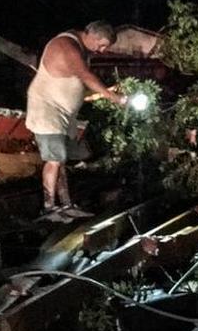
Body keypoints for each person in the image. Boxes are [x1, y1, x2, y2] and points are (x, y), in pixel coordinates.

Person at [26, 21, 125, 222]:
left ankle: (66, 204)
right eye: (102, 44)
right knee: (54, 159)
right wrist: (111, 96)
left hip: (65, 114)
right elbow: (84, 75)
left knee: (61, 160)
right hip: (48, 110)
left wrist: (106, 92)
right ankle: (48, 208)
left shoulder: (82, 49)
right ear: (91, 35)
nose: (103, 50)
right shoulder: (66, 46)